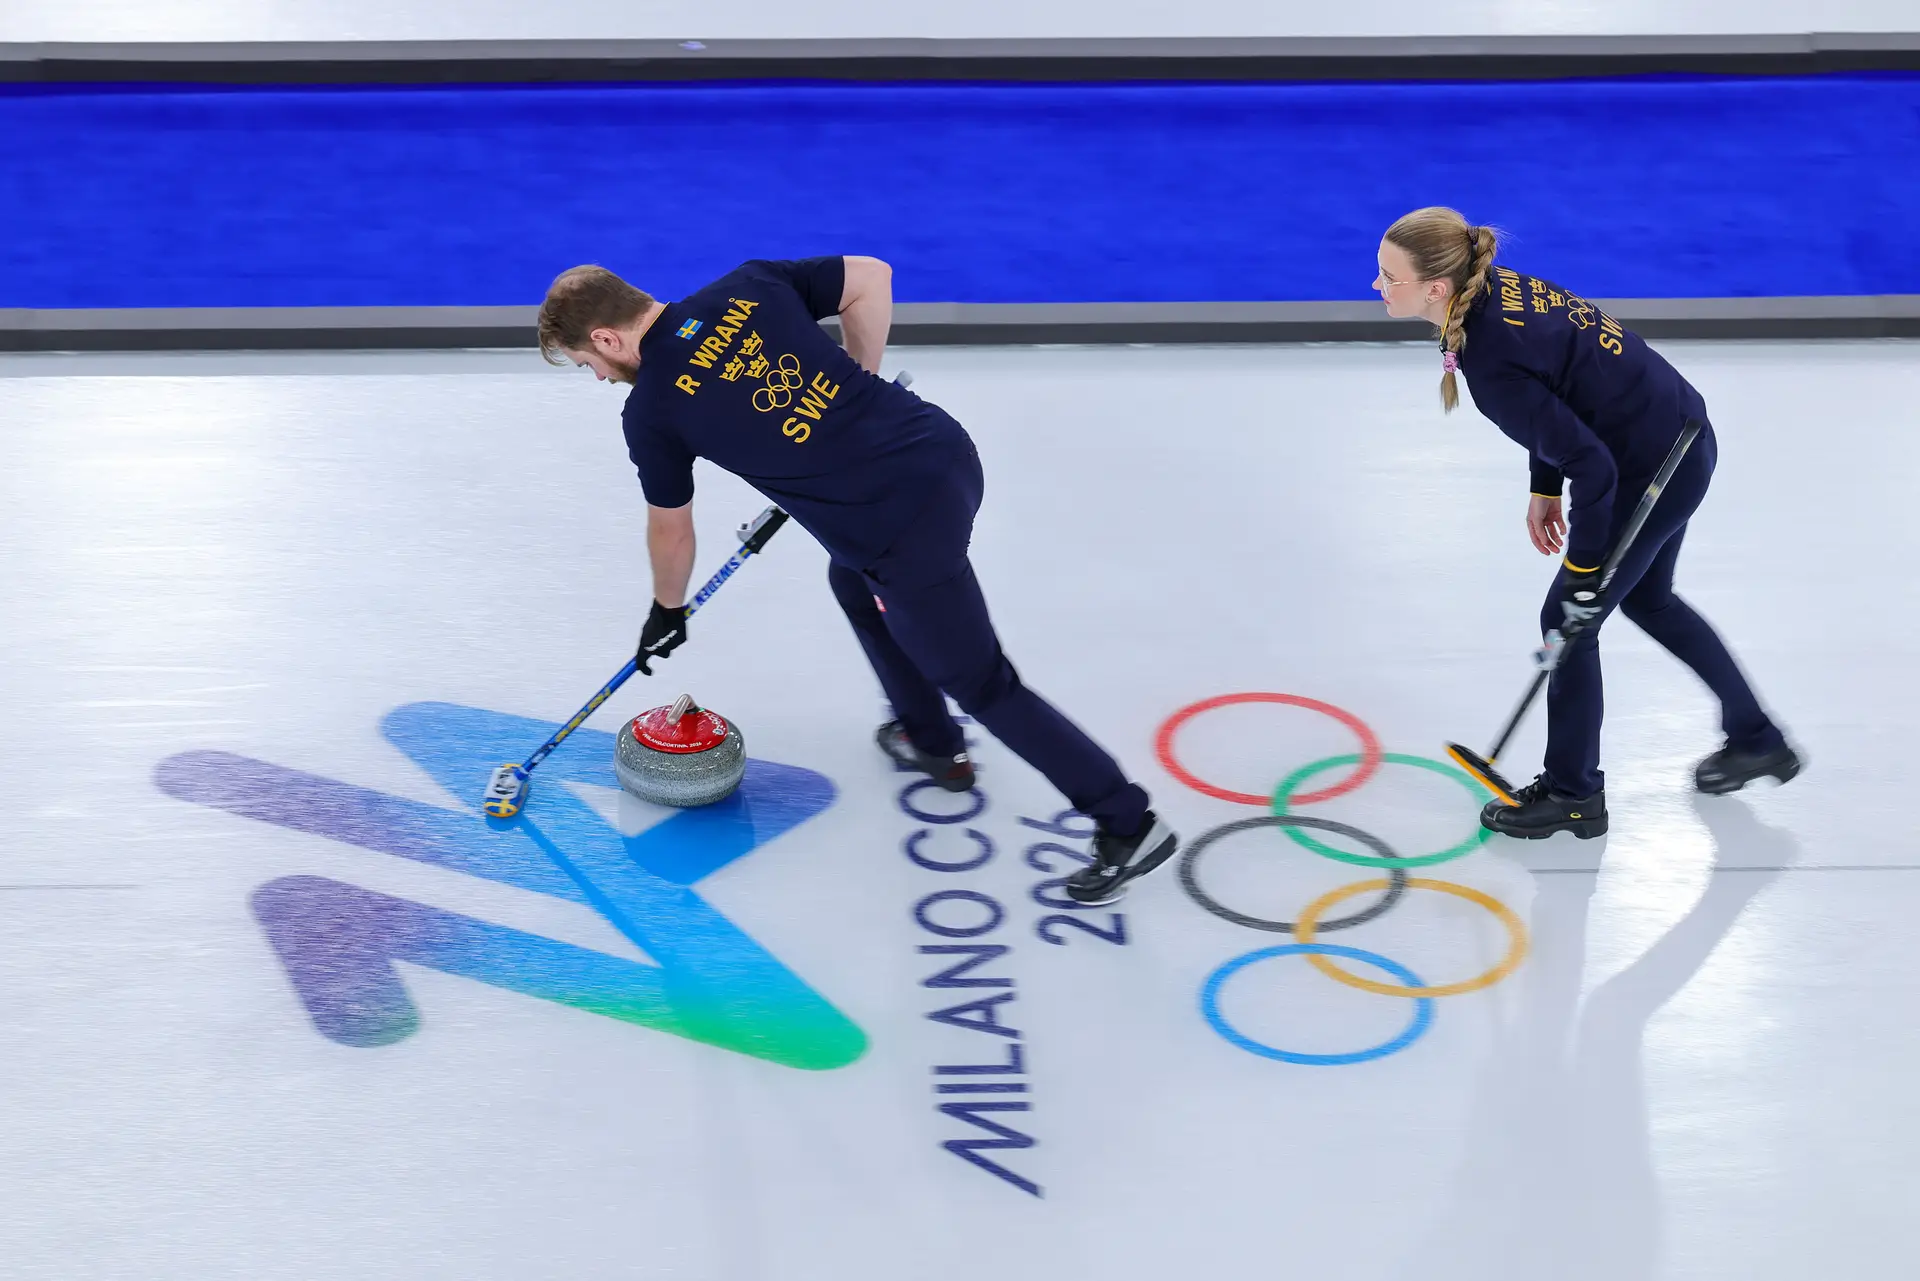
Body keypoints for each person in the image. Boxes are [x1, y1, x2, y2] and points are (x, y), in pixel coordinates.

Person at [535, 255, 1176, 901]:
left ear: (608, 339)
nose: (599, 377)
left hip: (900, 528)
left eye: (588, 364)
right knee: (852, 580)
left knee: (983, 681)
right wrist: (857, 382)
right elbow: (870, 275)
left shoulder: (652, 410)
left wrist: (665, 610)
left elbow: (671, 527)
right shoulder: (747, 285)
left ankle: (1127, 821)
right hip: (941, 451)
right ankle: (930, 738)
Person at [1374, 207, 1800, 839]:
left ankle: (1575, 794)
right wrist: (1544, 485)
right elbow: (1560, 400)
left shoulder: (1488, 359)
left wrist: (1582, 570)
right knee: (1649, 601)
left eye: (1388, 275)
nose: (1376, 285)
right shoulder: (1490, 288)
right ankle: (1757, 738)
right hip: (1680, 438)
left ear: (1435, 289)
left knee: (1568, 623)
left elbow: (1594, 468)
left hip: (1650, 471)